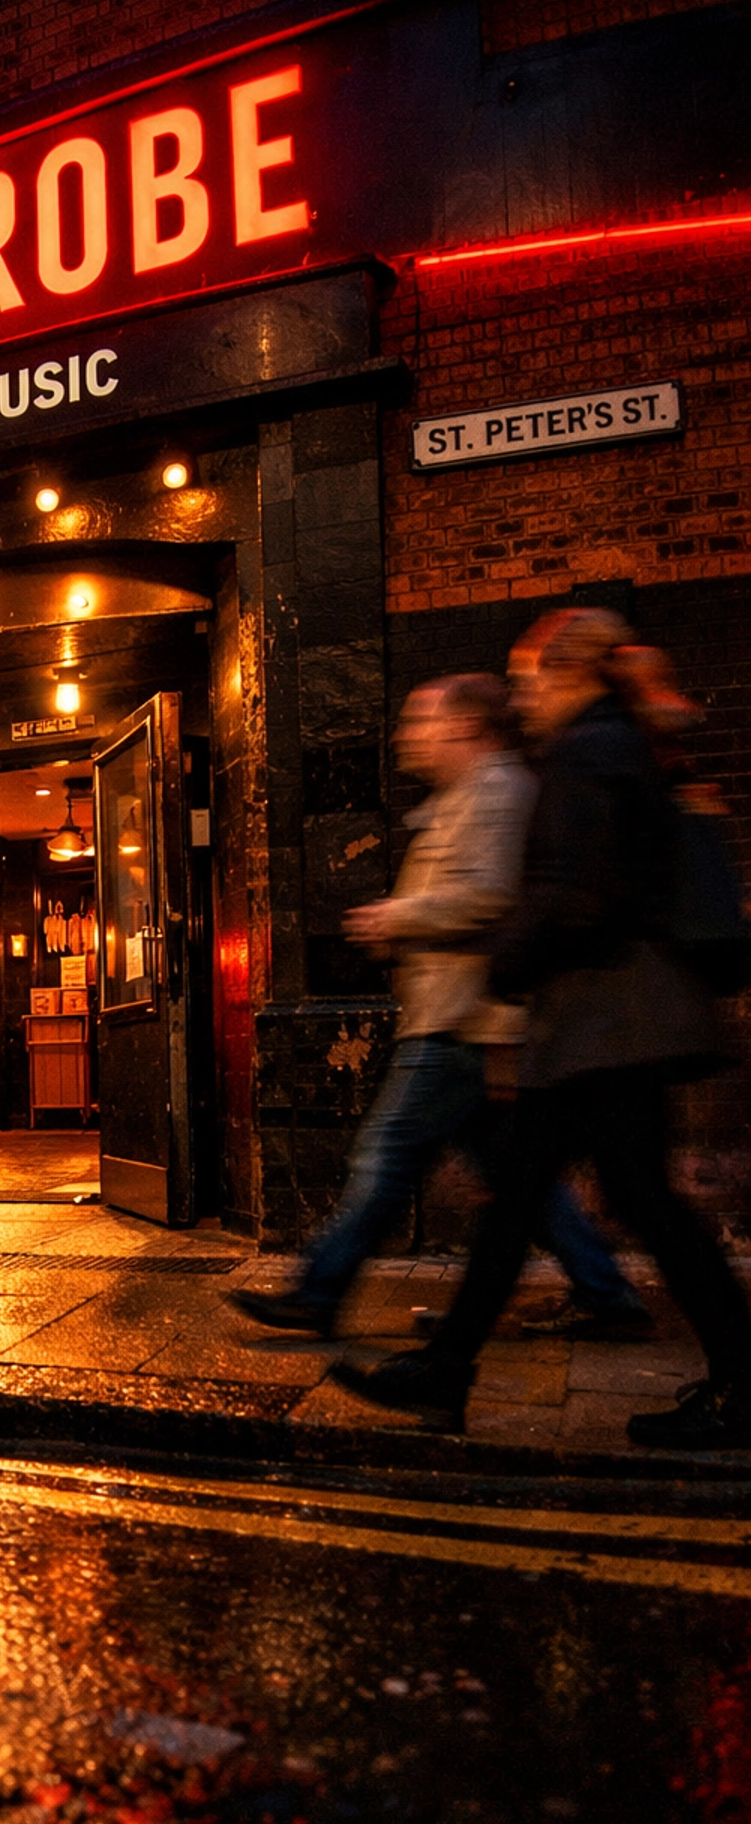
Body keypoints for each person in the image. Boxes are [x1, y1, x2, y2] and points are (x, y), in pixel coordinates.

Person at [335, 607, 751, 1446]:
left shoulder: (588, 751)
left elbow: (575, 895)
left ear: (566, 674)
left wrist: (505, 964)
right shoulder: (616, 744)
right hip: (612, 1017)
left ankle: (739, 1386)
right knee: (536, 1191)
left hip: (608, 1017)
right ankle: (448, 1368)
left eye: (525, 682)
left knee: (610, 1198)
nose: (520, 701)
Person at [234, 674, 645, 1341]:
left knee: (385, 1153)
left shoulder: (496, 791)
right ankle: (607, 1293)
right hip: (462, 1019)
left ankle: (319, 1291)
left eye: (419, 721)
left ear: (463, 725)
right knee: (519, 1174)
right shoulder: (469, 795)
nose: (406, 737)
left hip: (461, 1020)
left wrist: (399, 917)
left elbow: (491, 895)